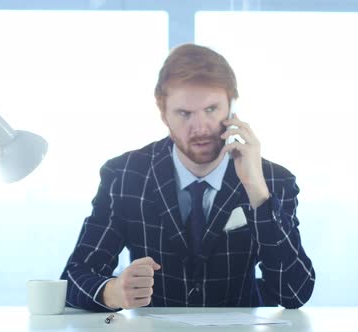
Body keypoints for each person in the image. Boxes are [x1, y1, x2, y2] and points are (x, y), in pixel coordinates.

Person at [61, 43, 315, 311]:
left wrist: (256, 191)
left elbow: (294, 293)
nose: (200, 127)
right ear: (163, 114)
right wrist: (112, 292)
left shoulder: (273, 180)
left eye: (211, 109)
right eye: (184, 114)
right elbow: (74, 277)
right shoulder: (125, 174)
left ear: (231, 108)